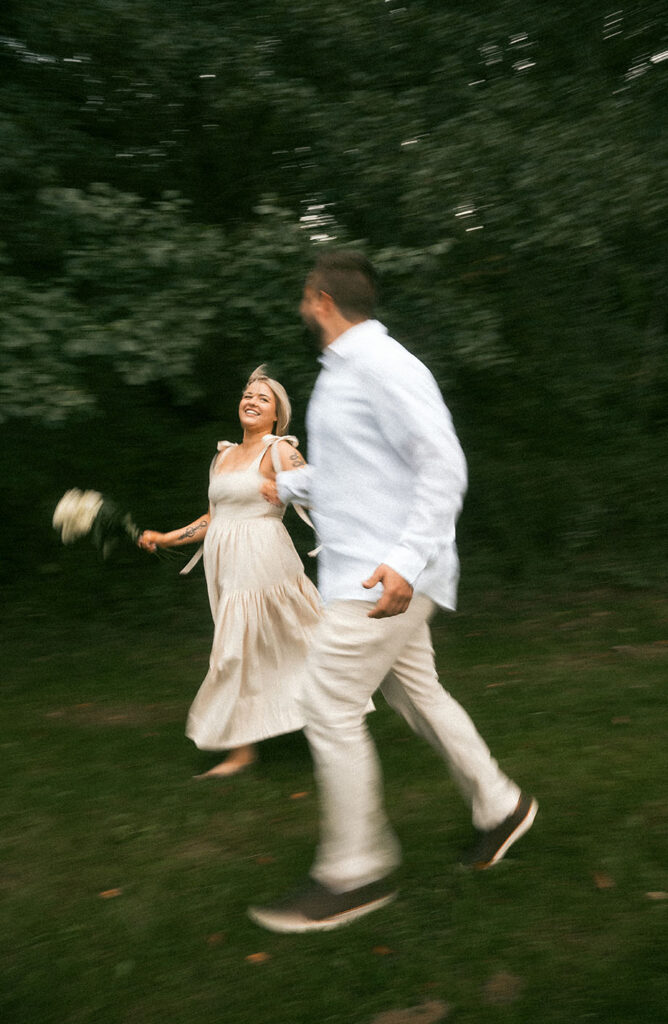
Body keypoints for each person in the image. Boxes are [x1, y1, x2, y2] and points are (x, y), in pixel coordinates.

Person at [248, 251, 537, 933]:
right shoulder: (343, 376)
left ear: (320, 300)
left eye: (303, 298)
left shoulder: (383, 364)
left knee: (327, 700)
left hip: (385, 579)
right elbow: (355, 471)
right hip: (369, 573)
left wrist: (408, 560)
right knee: (417, 694)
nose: (300, 307)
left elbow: (443, 462)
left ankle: (356, 869)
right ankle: (501, 806)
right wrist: (286, 486)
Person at [138, 366, 321, 777]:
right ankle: (246, 749)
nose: (251, 401)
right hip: (225, 561)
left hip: (263, 557)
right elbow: (212, 517)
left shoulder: (280, 450)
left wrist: (287, 490)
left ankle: (256, 747)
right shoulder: (222, 456)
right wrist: (167, 537)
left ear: (277, 414)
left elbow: (318, 490)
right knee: (247, 646)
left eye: (263, 398)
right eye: (247, 394)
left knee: (266, 640)